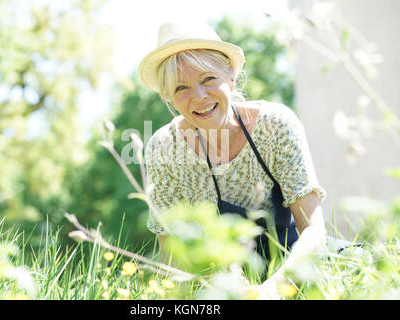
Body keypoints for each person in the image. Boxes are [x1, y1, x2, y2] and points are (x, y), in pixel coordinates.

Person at [138, 22, 328, 299]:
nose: (199, 97)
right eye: (181, 88)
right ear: (168, 97)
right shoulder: (165, 148)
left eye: (208, 79)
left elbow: (314, 232)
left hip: (300, 270)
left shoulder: (274, 125)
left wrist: (271, 291)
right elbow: (173, 256)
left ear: (232, 78)